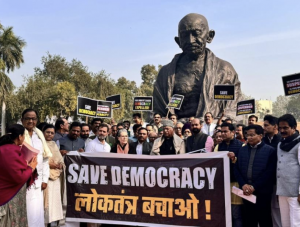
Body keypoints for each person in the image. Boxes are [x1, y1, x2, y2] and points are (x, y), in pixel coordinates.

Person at [153, 13, 242, 119]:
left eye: (196, 33)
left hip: (212, 130)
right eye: (185, 35)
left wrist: (220, 124)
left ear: (210, 36)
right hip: (176, 130)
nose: (190, 40)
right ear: (178, 41)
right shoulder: (165, 73)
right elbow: (156, 112)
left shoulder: (224, 70)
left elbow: (234, 108)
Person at [235, 124, 276, 227]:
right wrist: (243, 184)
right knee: (249, 219)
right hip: (245, 191)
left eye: (252, 135)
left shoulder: (270, 151)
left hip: (262, 192)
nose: (249, 137)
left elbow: (269, 173)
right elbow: (236, 169)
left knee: (264, 219)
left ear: (261, 135)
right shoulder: (242, 150)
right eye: (247, 135)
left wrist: (254, 187)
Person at [0, 124, 37, 227]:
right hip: (10, 197)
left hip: (7, 192)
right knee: (13, 221)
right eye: (24, 136)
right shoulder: (11, 151)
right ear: (20, 137)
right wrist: (31, 167)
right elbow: (18, 177)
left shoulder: (3, 148)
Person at [21, 108, 52, 227]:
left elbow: (44, 159)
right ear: (22, 120)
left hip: (37, 180)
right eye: (27, 118)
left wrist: (45, 179)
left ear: (37, 120)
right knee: (26, 211)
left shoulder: (39, 136)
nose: (30, 121)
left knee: (36, 212)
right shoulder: (18, 135)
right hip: (22, 180)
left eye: (33, 118)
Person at [215, 122, 244, 227]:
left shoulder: (241, 146)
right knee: (224, 213)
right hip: (222, 184)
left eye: (225, 132)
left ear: (233, 132)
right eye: (221, 132)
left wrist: (234, 159)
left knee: (236, 214)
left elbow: (244, 164)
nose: (223, 134)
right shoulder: (218, 147)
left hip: (236, 184)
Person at [276, 114, 300, 227]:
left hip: (295, 192)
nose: (282, 130)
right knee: (285, 223)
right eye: (280, 128)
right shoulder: (280, 144)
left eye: (285, 128)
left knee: (296, 223)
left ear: (294, 127)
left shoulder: (299, 144)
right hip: (282, 190)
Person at [42, 124, 64, 226]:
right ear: (43, 132)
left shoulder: (54, 144)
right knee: (45, 205)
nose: (50, 134)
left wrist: (60, 165)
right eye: (48, 132)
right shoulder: (39, 144)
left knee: (54, 206)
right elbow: (38, 161)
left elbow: (60, 159)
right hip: (45, 178)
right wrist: (49, 164)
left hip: (56, 179)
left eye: (52, 133)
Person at [262, 115, 282, 227]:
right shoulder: (263, 141)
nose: (264, 128)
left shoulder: (281, 142)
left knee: (277, 210)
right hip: (263, 183)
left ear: (275, 126)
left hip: (277, 182)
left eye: (266, 125)